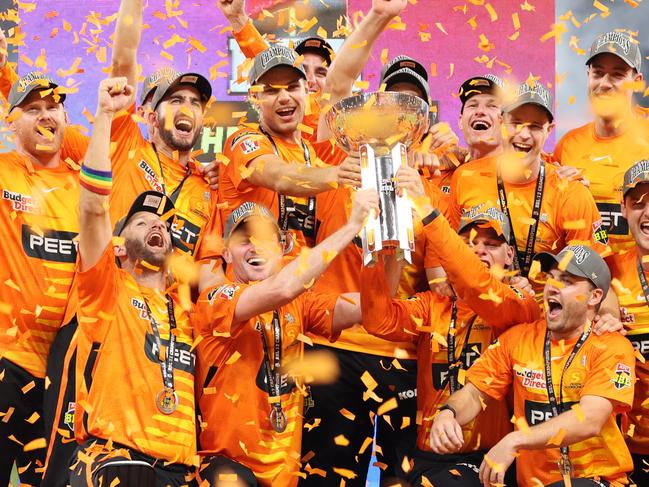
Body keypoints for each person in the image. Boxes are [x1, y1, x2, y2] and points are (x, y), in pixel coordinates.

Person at [360, 162, 541, 486]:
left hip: (491, 461)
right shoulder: (434, 305)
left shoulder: (522, 306)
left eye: (491, 243)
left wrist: (428, 213)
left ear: (510, 254)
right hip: (429, 459)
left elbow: (479, 285)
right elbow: (378, 321)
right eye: (469, 243)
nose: (478, 250)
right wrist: (378, 248)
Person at [194, 190, 378, 486]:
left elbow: (370, 307)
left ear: (281, 250)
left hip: (285, 475)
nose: (256, 247)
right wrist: (351, 225)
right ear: (226, 253)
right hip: (225, 466)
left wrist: (390, 252)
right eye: (244, 241)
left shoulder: (300, 304)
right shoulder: (215, 300)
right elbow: (283, 287)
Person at [70, 76, 197, 485]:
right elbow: (93, 209)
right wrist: (107, 114)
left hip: (179, 468)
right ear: (120, 247)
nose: (156, 224)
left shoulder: (190, 313)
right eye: (141, 221)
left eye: (162, 222)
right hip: (117, 459)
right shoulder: (106, 288)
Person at [431, 245, 635, 487]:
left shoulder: (613, 346)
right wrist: (448, 414)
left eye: (567, 281)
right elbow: (474, 394)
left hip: (598, 481)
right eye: (551, 278)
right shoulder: (518, 339)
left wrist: (515, 440)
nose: (553, 287)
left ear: (595, 297)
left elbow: (590, 418)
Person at [450, 81, 609, 288]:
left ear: (549, 130)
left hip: (547, 315)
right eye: (516, 123)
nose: (524, 135)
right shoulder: (465, 177)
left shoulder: (571, 192)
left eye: (534, 126)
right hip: (482, 311)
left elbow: (592, 280)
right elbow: (452, 255)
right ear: (501, 122)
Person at [0, 71, 77, 486]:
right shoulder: (3, 172)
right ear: (11, 121)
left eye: (53, 107)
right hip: (6, 360)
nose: (46, 116)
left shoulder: (89, 185)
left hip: (62, 377)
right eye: (33, 109)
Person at [219, 44, 344, 255]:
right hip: (258, 282)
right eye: (271, 90)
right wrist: (339, 173)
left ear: (307, 90)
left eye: (292, 86)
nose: (284, 97)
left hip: (309, 283)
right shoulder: (242, 140)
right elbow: (279, 177)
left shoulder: (314, 154)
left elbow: (343, 81)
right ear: (254, 97)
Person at [554, 30, 649, 254]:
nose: (605, 84)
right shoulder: (568, 145)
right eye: (598, 73)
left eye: (617, 74)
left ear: (636, 83)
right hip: (586, 284)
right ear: (588, 77)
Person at [217, 0, 333, 137]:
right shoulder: (254, 142)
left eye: (321, 73)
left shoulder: (345, 126)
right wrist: (238, 18)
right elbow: (266, 59)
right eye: (303, 70)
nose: (311, 80)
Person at [607, 159, 649, 485]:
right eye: (638, 203)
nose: (647, 213)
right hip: (629, 450)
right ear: (623, 208)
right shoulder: (609, 273)